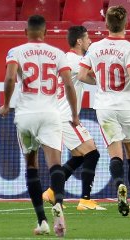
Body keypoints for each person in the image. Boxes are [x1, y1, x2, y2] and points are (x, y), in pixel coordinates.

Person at [0, 15, 79, 237]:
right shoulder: (58, 54)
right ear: (46, 32)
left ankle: (42, 221)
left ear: (26, 32)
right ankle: (59, 204)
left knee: (31, 166)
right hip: (51, 114)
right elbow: (69, 85)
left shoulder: (16, 52)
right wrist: (74, 114)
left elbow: (10, 79)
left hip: (25, 115)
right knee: (55, 164)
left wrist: (6, 105)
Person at [78, 6, 130, 218]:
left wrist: (99, 82)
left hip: (105, 106)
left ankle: (119, 184)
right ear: (126, 23)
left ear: (106, 24)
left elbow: (81, 74)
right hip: (128, 106)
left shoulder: (95, 47)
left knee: (115, 154)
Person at [42, 26, 106, 211]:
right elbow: (97, 77)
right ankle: (85, 200)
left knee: (79, 156)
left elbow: (90, 80)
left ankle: (52, 191)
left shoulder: (65, 59)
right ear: (79, 41)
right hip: (65, 117)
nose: (90, 42)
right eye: (87, 39)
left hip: (58, 115)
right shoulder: (77, 60)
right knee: (92, 153)